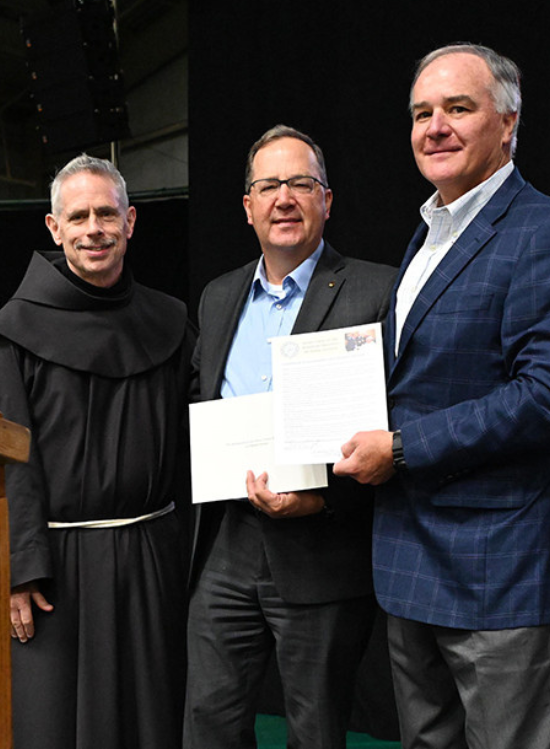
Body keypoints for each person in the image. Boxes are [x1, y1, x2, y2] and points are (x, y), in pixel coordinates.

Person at [335, 44, 550, 749]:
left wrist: (400, 447)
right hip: (408, 560)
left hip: (500, 568)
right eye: (423, 112)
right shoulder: (425, 237)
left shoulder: (548, 230)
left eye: (458, 108)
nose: (435, 127)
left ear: (508, 123)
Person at [185, 125, 395, 749]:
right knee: (209, 723)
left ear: (326, 200)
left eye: (300, 183)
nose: (284, 197)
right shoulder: (218, 296)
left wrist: (325, 500)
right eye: (268, 185)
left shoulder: (377, 289)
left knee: (316, 732)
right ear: (247, 206)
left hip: (323, 546)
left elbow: (396, 425)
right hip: (228, 542)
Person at [0, 154, 192, 749]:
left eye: (105, 213)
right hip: (56, 570)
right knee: (54, 725)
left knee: (152, 716)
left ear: (130, 221)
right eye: (78, 217)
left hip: (149, 553)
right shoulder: (11, 335)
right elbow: (3, 462)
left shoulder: (169, 321)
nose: (93, 228)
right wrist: (18, 572)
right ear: (53, 228)